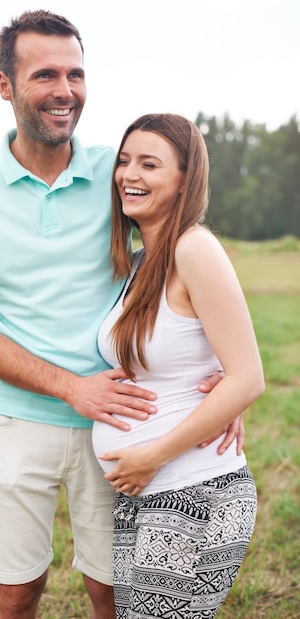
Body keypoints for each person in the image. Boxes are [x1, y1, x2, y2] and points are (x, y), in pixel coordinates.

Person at [0, 11, 242, 619]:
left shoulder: (117, 171)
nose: (64, 90)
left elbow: (190, 263)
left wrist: (222, 384)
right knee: (14, 591)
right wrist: (72, 388)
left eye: (76, 73)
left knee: (114, 590)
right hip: (13, 419)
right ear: (5, 86)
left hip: (128, 417)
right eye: (45, 74)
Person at [92, 113, 265, 618]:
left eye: (149, 164)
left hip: (195, 492)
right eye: (124, 162)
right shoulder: (145, 260)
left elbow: (248, 377)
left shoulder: (195, 248)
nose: (130, 175)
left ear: (184, 180)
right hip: (147, 493)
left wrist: (153, 456)